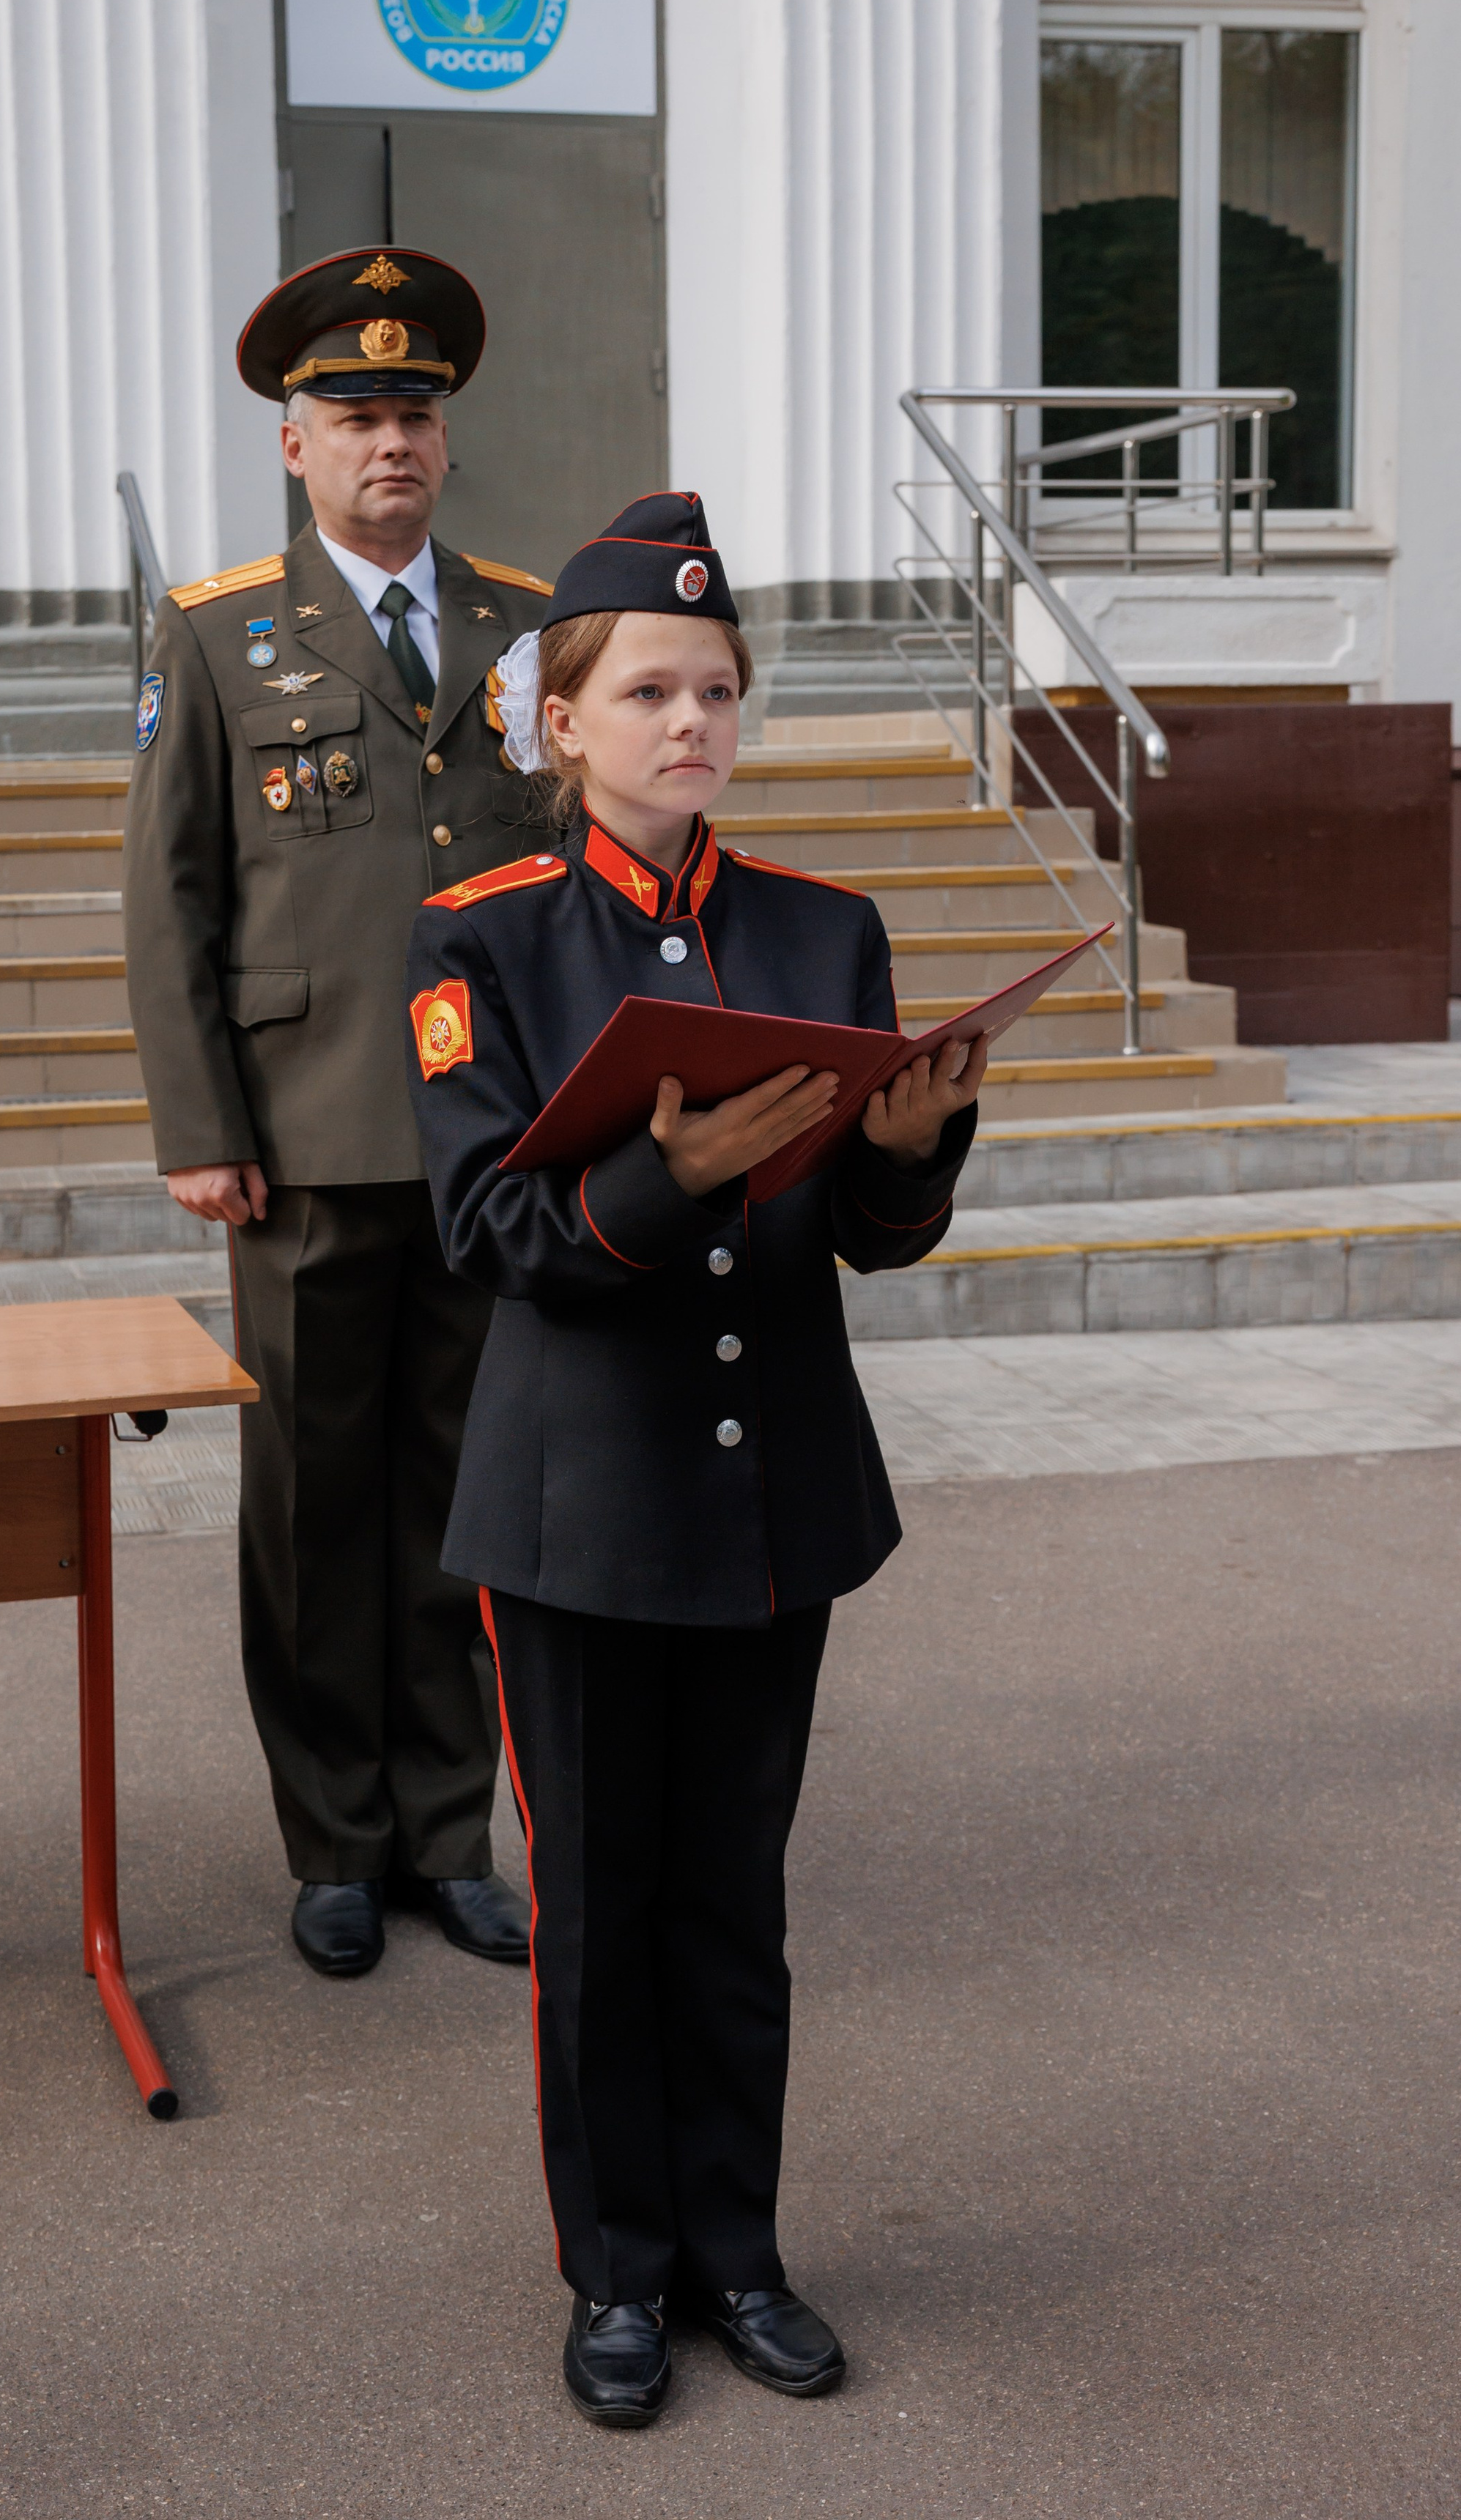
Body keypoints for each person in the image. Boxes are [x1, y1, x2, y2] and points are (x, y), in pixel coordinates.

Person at [404, 492, 985, 2426]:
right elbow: (488, 1230)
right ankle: (622, 2275)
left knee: (737, 1893)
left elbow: (868, 1243)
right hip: (580, 1505)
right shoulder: (481, 939)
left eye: (717, 689)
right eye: (647, 689)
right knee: (602, 1907)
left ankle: (740, 2248)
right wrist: (667, 1176)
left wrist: (909, 1152)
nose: (689, 721)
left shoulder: (825, 929)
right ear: (560, 719)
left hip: (769, 1495)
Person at [121, 246, 556, 1979]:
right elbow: (172, 898)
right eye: (353, 412)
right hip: (296, 1137)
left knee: (461, 1490)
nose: (390, 438)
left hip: (480, 1135)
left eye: (414, 411)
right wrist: (195, 1118)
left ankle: (446, 1828)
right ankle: (331, 1835)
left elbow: (563, 877)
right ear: (292, 444)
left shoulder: (527, 628)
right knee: (308, 1497)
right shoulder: (220, 634)